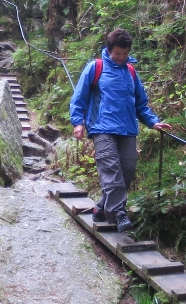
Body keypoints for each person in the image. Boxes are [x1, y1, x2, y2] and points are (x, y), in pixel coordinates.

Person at [69, 28, 171, 233]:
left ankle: (101, 208)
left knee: (128, 168)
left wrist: (153, 122)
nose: (121, 57)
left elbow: (140, 104)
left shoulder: (131, 72)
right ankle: (118, 213)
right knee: (111, 169)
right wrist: (78, 122)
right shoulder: (95, 67)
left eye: (125, 54)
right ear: (109, 50)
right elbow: (79, 97)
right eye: (117, 53)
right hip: (102, 127)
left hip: (127, 128)